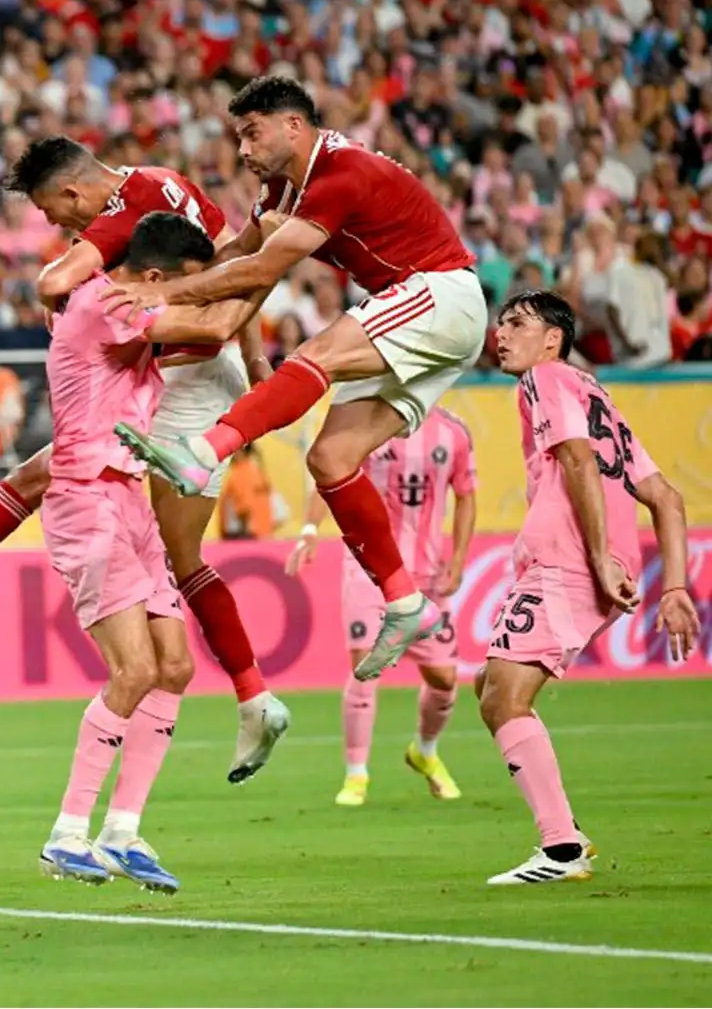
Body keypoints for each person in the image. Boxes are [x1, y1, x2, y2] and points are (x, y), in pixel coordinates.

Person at [0, 136, 293, 784]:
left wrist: (77, 301)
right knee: (43, 479)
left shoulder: (123, 209)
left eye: (52, 211)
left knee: (166, 552)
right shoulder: (167, 182)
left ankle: (253, 698)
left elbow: (55, 281)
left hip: (188, 377)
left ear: (72, 190)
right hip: (199, 371)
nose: (57, 226)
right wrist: (256, 360)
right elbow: (225, 263)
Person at [107, 76, 488, 683]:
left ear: (293, 126)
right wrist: (160, 286)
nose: (242, 150)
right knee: (332, 459)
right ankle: (405, 601)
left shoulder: (340, 173)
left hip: (439, 293)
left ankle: (204, 451)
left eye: (251, 132)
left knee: (318, 353)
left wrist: (165, 293)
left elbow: (264, 268)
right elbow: (240, 254)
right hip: (422, 311)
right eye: (238, 136)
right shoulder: (285, 188)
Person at [35, 210, 270, 893]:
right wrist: (268, 268)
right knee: (134, 669)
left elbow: (209, 320)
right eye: (188, 286)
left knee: (174, 665)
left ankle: (123, 832)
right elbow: (213, 327)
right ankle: (67, 833)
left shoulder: (130, 300)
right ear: (155, 279)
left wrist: (255, 248)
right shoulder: (104, 300)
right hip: (86, 496)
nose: (193, 295)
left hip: (131, 493)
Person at [476, 291, 696, 885]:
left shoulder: (545, 379)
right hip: (581, 564)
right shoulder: (596, 396)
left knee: (503, 698)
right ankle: (563, 841)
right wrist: (673, 587)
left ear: (553, 339)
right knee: (493, 687)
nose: (502, 332)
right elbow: (668, 501)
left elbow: (575, 459)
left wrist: (599, 558)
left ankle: (562, 848)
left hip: (570, 562)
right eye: (501, 323)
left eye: (518, 323)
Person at [285, 408, 478, 807]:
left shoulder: (454, 432)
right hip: (368, 567)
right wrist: (308, 531)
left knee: (444, 678)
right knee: (366, 665)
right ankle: (356, 774)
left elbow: (466, 497)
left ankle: (424, 751)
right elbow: (329, 475)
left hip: (426, 575)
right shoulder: (368, 424)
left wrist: (458, 560)